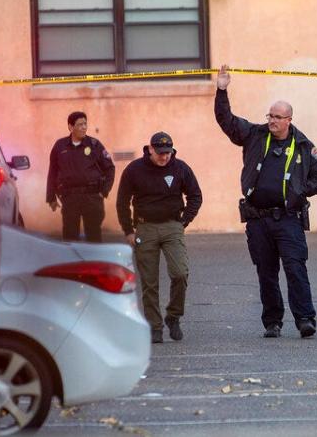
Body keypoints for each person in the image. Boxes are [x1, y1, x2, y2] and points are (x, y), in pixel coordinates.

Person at [214, 64, 317, 339]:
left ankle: (305, 319)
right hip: (258, 219)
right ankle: (272, 322)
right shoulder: (255, 135)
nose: (272, 120)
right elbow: (226, 120)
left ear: (289, 119)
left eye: (277, 117)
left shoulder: (303, 145)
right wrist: (221, 90)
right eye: (270, 115)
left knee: (295, 268)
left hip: (288, 219)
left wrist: (299, 192)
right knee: (266, 272)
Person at [116, 132, 202, 344]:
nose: (165, 157)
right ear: (150, 149)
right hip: (145, 228)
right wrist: (128, 230)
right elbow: (122, 201)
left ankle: (173, 316)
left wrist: (184, 221)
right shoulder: (135, 170)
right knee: (149, 282)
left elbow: (195, 196)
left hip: (173, 226)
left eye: (168, 153)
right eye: (161, 153)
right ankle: (154, 326)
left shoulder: (180, 168)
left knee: (180, 273)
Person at [46, 111, 115, 242]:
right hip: (69, 198)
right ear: (70, 127)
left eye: (85, 124)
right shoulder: (60, 146)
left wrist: (104, 191)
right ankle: (73, 262)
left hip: (92, 197)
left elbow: (110, 168)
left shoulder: (94, 144)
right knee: (70, 236)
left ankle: (95, 262)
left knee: (94, 236)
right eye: (79, 125)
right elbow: (53, 172)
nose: (84, 127)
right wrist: (51, 197)